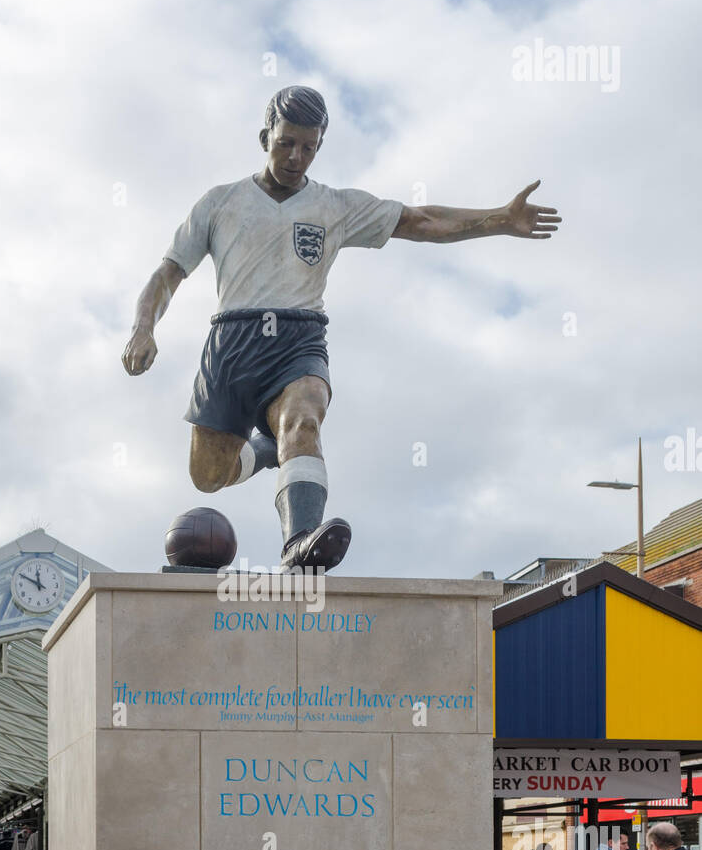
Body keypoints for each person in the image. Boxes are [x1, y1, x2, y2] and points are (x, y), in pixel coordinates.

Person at [123, 85, 561, 572]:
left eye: (308, 147)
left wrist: (500, 219)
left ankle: (299, 542)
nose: (296, 157)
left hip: (299, 339)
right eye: (286, 142)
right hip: (231, 343)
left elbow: (420, 219)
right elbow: (167, 275)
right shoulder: (220, 202)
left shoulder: (334, 206)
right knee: (208, 475)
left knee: (305, 419)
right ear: (264, 135)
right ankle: (267, 451)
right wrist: (144, 328)